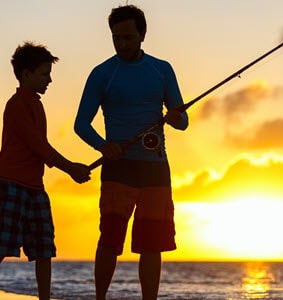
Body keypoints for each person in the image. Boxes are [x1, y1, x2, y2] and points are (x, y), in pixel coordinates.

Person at [73, 4, 189, 300]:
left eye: (127, 37)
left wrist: (176, 118)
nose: (122, 43)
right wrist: (102, 145)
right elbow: (80, 123)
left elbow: (183, 121)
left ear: (142, 35)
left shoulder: (161, 69)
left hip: (155, 170)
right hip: (118, 169)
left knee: (152, 245)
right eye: (116, 38)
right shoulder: (103, 73)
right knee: (110, 241)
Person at [0, 42, 91, 300]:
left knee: (44, 248)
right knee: (2, 243)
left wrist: (70, 168)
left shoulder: (36, 104)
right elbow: (38, 145)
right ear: (26, 74)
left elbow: (41, 147)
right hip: (12, 184)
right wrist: (70, 169)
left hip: (35, 187)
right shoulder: (16, 105)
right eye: (45, 73)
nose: (50, 79)